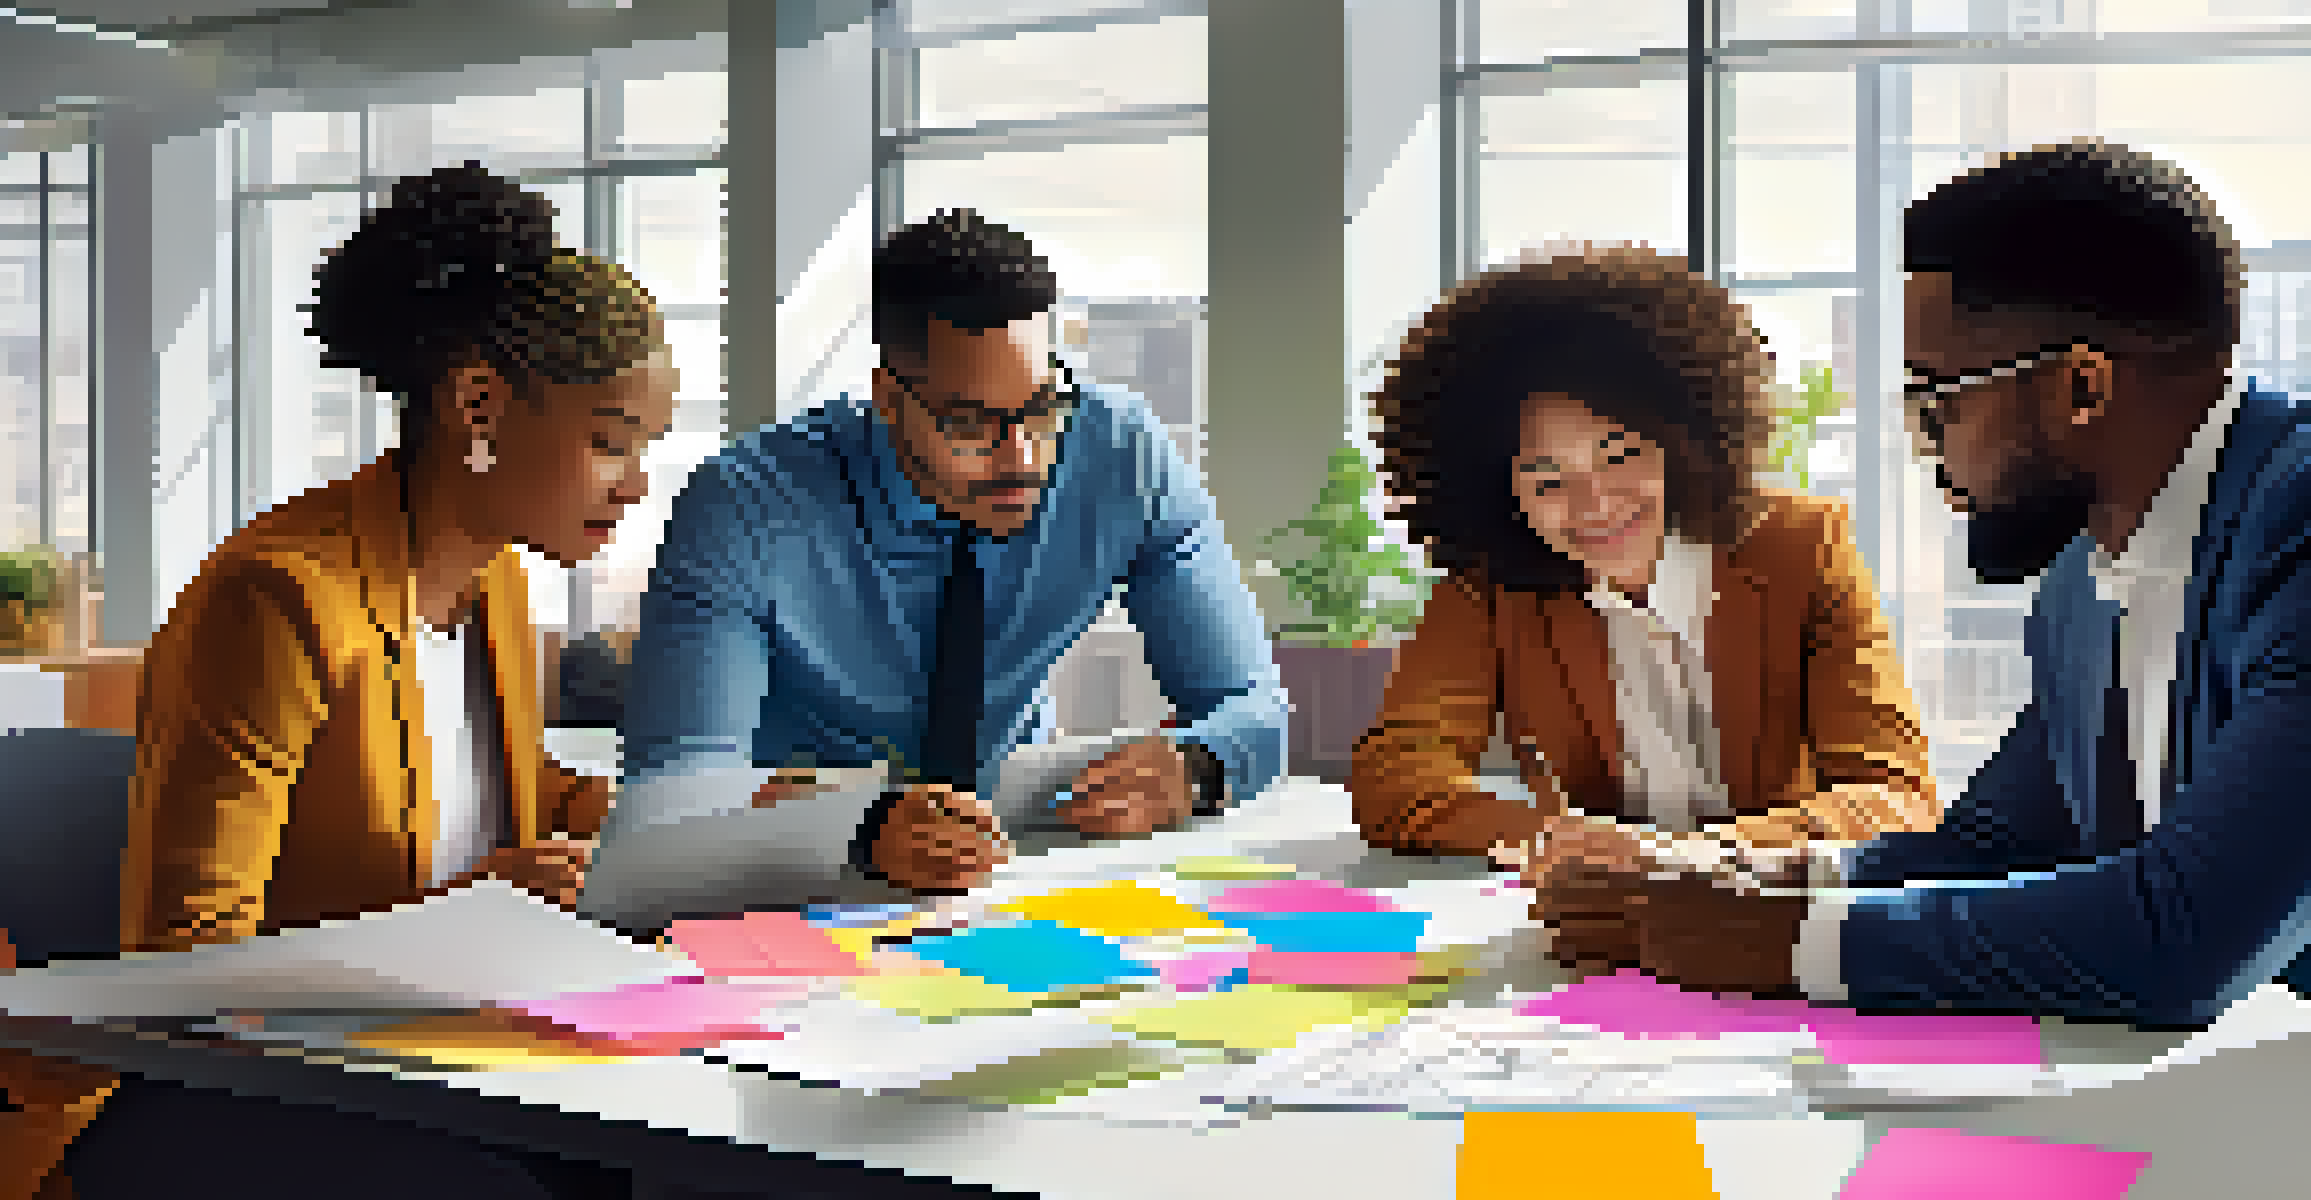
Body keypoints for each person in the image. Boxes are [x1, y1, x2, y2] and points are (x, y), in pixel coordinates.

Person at [1544, 141, 2311, 1025]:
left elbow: (2186, 934)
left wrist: (1784, 939)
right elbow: (2007, 841)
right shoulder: (2084, 572)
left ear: (2080, 387)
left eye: (1935, 404)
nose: (1924, 448)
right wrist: (1754, 877)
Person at [51, 162, 676, 1197]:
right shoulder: (279, 600)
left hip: (460, 1056)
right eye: (611, 442)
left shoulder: (497, 585)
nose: (638, 481)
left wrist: (691, 823)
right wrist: (455, 918)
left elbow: (502, 795)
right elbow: (187, 959)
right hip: (259, 1095)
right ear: (479, 401)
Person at [600, 209, 1284, 907]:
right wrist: (860, 827)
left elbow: (1253, 708)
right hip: (793, 883)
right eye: (970, 423)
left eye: (1041, 407)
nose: (1020, 458)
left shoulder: (1120, 455)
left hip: (1015, 861)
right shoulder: (747, 504)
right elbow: (667, 810)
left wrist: (1196, 769)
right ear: (889, 400)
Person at [1353, 244, 1938, 950]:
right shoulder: (1489, 587)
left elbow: (1899, 800)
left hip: (1771, 926)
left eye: (1620, 456)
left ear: (1682, 442)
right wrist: (1557, 840)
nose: (1593, 503)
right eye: (1548, 481)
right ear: (1502, 494)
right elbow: (1397, 778)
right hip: (1591, 935)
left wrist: (1695, 857)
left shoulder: (1804, 548)